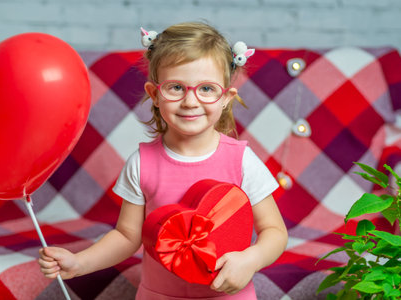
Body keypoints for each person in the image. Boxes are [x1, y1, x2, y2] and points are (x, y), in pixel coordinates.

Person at [38, 22, 288, 299]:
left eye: (206, 88)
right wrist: (80, 262)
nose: (191, 101)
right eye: (176, 87)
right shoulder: (142, 164)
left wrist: (250, 259)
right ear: (155, 95)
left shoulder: (241, 161)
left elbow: (274, 232)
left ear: (226, 98)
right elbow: (126, 237)